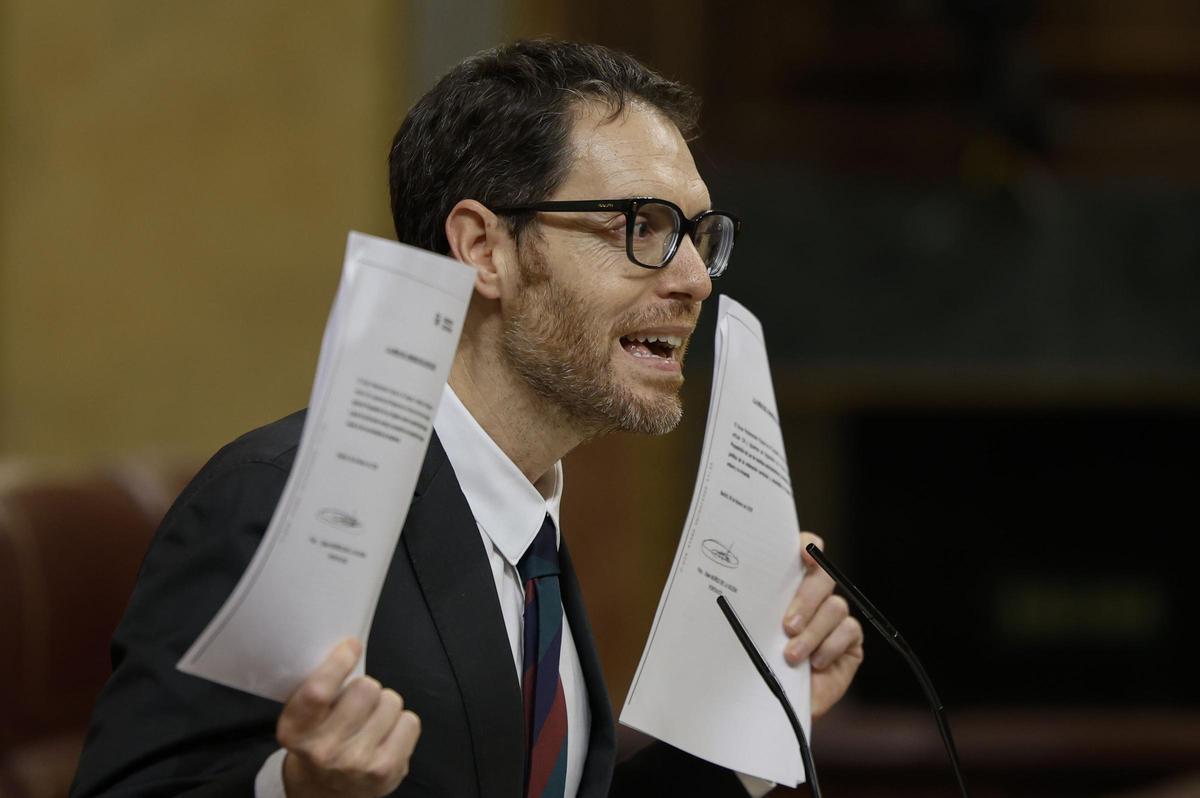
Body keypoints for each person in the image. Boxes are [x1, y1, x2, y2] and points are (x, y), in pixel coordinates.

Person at [70, 40, 864, 798]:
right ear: (485, 249)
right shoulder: (271, 500)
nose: (694, 277)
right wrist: (298, 790)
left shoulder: (529, 535)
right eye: (643, 227)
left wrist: (757, 715)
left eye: (696, 235)